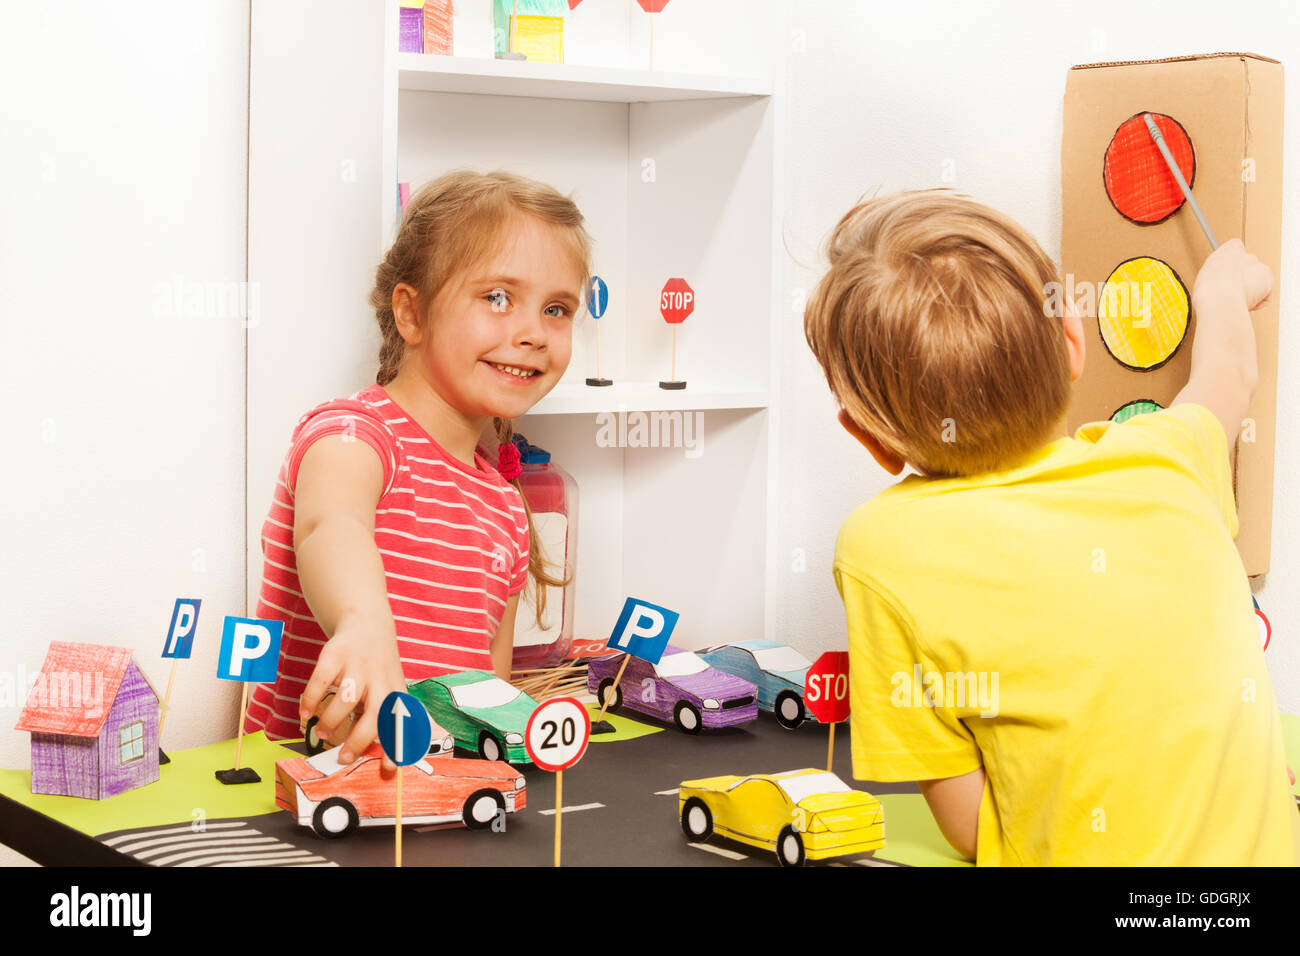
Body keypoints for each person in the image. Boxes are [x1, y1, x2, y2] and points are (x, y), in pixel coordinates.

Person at [803, 189, 1299, 865]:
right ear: (1073, 340)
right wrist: (1225, 286)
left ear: (870, 439)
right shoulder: (1170, 459)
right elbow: (1228, 373)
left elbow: (970, 827)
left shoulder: (879, 549)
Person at [244, 169, 591, 769]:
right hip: (311, 799)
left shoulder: (506, 507)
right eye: (498, 297)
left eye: (557, 309)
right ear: (411, 313)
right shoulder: (354, 436)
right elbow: (332, 524)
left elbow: (489, 694)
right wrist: (362, 625)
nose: (534, 333)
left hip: (433, 806)